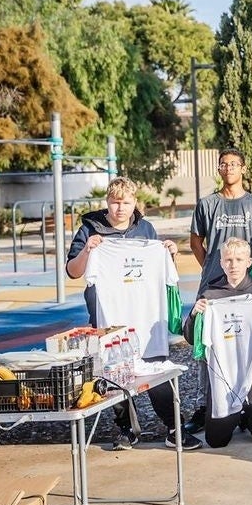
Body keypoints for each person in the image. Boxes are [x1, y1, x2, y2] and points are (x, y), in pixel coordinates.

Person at [65, 177, 199, 451]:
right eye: (115, 202)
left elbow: (161, 273)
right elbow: (73, 271)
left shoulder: (146, 230)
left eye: (126, 202)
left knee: (156, 371)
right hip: (109, 318)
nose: (120, 208)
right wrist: (89, 250)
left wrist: (169, 254)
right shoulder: (90, 229)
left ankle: (174, 427)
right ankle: (127, 428)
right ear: (107, 203)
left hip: (145, 317)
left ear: (135, 203)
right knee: (114, 372)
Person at [186, 148, 252, 434]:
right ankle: (202, 406)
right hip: (214, 285)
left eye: (234, 163)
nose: (229, 167)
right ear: (219, 169)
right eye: (224, 164)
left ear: (243, 168)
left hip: (246, 287)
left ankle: (245, 403)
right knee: (204, 346)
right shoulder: (207, 204)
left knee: (243, 343)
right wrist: (211, 266)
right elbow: (196, 243)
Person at [182, 238, 252, 448]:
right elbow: (192, 339)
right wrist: (195, 315)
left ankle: (249, 412)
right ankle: (237, 414)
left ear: (249, 261)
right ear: (221, 262)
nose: (233, 265)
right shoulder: (211, 295)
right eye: (228, 260)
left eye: (239, 259)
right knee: (216, 441)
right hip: (224, 378)